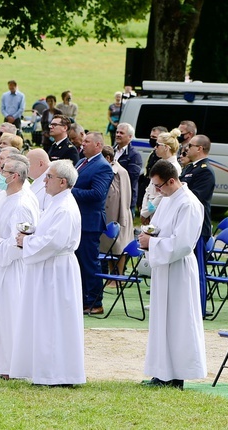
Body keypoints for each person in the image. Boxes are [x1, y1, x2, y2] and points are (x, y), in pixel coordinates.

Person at [13, 160, 85, 386]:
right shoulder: (56, 202)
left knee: (54, 319)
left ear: (62, 182)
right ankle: (46, 369)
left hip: (57, 270)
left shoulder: (64, 207)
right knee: (45, 318)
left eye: (49, 177)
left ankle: (57, 373)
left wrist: (28, 241)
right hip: (49, 267)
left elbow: (54, 241)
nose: (44, 181)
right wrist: (32, 234)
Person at [138, 160, 207, 389]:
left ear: (171, 180)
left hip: (178, 268)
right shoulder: (167, 200)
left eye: (159, 186)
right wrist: (147, 239)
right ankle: (162, 371)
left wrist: (154, 243)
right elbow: (157, 228)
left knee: (178, 322)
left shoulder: (188, 204)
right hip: (164, 267)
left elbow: (183, 243)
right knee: (162, 321)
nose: (157, 191)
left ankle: (177, 375)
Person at [0, 158, 39, 379]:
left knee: (11, 314)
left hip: (14, 268)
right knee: (1, 315)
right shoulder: (6, 198)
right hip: (0, 264)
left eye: (3, 170)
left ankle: (15, 366)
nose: (0, 174)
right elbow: (3, 227)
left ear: (15, 176)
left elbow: (20, 242)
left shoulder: (23, 203)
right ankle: (4, 363)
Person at [72, 132, 114, 315]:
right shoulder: (82, 162)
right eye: (83, 141)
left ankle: (95, 301)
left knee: (89, 263)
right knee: (79, 263)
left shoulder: (102, 167)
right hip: (78, 220)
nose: (83, 144)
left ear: (98, 145)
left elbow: (97, 195)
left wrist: (70, 191)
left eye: (87, 142)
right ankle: (82, 299)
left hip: (89, 221)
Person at [180, 134, 215, 316]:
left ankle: (199, 308)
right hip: (186, 226)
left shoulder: (205, 171)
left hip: (198, 227)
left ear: (200, 148)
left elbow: (195, 197)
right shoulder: (189, 168)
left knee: (197, 270)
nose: (187, 148)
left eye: (191, 145)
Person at [100, 146, 134, 275]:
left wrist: (123, 218)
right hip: (108, 214)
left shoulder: (120, 172)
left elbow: (125, 196)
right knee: (108, 246)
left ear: (108, 158)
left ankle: (118, 274)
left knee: (119, 247)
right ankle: (111, 275)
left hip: (119, 214)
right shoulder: (106, 171)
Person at [140, 130, 181, 224]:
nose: (155, 147)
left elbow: (163, 195)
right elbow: (149, 189)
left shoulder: (174, 167)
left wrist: (146, 213)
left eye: (158, 145)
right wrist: (144, 210)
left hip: (160, 211)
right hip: (151, 208)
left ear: (166, 147)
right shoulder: (159, 163)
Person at [136, 126, 167, 212]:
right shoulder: (152, 153)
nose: (151, 140)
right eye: (151, 137)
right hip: (147, 190)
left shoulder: (163, 158)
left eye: (154, 137)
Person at [114, 123, 143, 211]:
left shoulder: (134, 155)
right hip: (112, 198)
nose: (118, 135)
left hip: (126, 199)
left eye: (121, 133)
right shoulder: (111, 151)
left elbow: (131, 179)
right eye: (117, 132)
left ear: (130, 137)